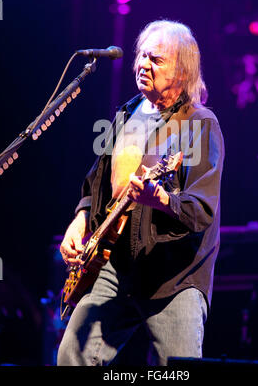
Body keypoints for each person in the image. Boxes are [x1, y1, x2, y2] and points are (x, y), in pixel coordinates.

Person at [57, 19, 224, 366]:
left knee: (179, 370)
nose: (143, 65)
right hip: (115, 266)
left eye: (157, 59)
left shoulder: (200, 124)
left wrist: (160, 199)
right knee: (71, 355)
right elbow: (96, 182)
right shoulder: (126, 114)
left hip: (172, 277)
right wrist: (81, 218)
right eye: (142, 56)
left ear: (181, 71)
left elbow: (201, 209)